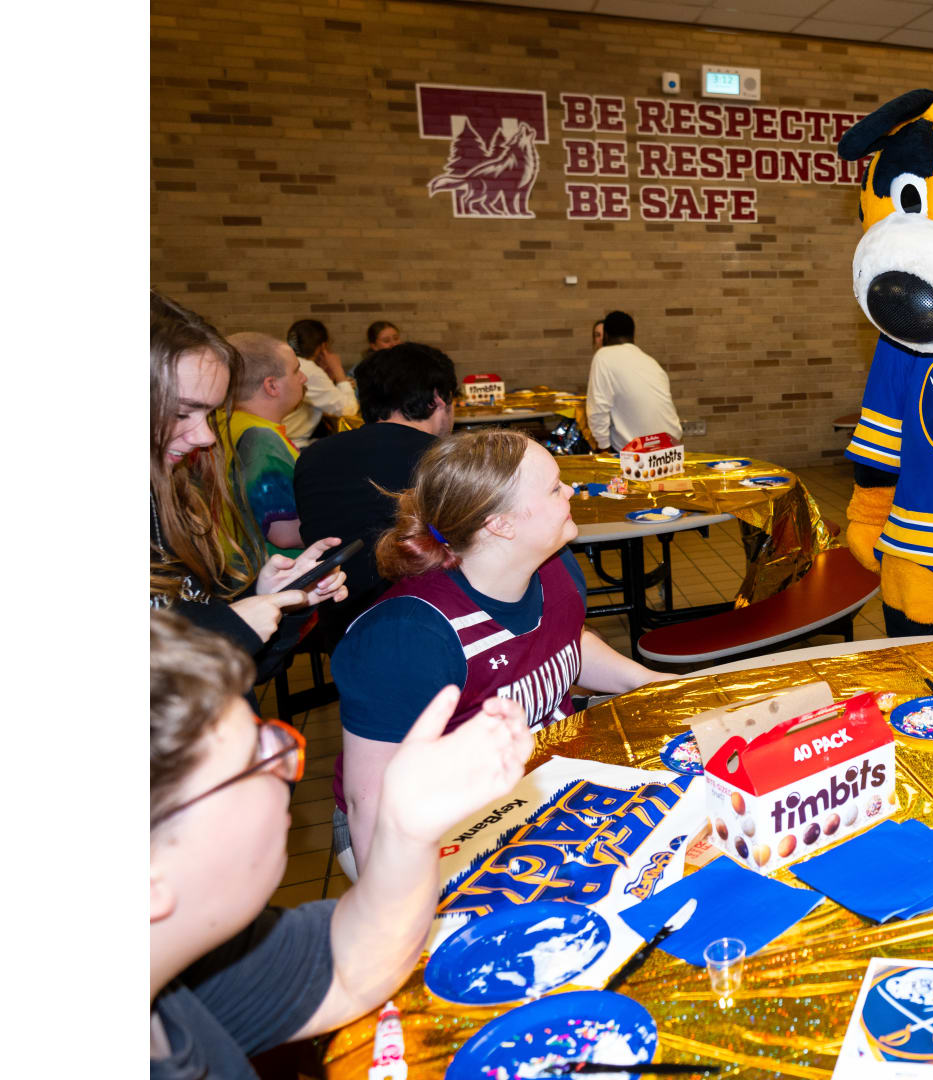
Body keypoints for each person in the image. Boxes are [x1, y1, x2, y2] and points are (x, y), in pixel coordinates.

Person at [149, 608, 532, 1080]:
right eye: (253, 761)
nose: (290, 766)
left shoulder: (183, 966)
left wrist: (405, 829)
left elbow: (352, 967)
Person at [331, 430, 662, 874]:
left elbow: (564, 640)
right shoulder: (406, 637)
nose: (571, 491)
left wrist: (648, 682)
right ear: (501, 524)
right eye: (554, 487)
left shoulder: (553, 565)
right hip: (418, 818)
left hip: (535, 769)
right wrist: (392, 911)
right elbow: (370, 799)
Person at [150, 292, 346, 679]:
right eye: (182, 412)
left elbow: (240, 670)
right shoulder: (258, 438)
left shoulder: (169, 500)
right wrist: (234, 627)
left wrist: (272, 603)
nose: (205, 436)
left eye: (208, 413)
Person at [293, 342, 458, 648]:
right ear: (438, 398)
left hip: (340, 629)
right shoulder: (446, 460)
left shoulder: (313, 456)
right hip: (436, 628)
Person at [221, 332, 309, 556]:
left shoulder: (222, 422)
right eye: (296, 370)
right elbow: (284, 533)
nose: (303, 378)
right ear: (271, 386)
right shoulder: (261, 440)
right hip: (268, 572)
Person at [586, 310, 681, 450]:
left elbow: (598, 410)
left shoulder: (604, 356)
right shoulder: (650, 361)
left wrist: (603, 448)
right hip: (671, 444)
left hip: (640, 451)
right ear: (633, 335)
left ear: (606, 335)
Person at [283, 318, 360, 449]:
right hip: (293, 444)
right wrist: (338, 371)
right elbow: (349, 411)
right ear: (323, 347)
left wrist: (329, 377)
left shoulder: (286, 361)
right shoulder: (308, 369)